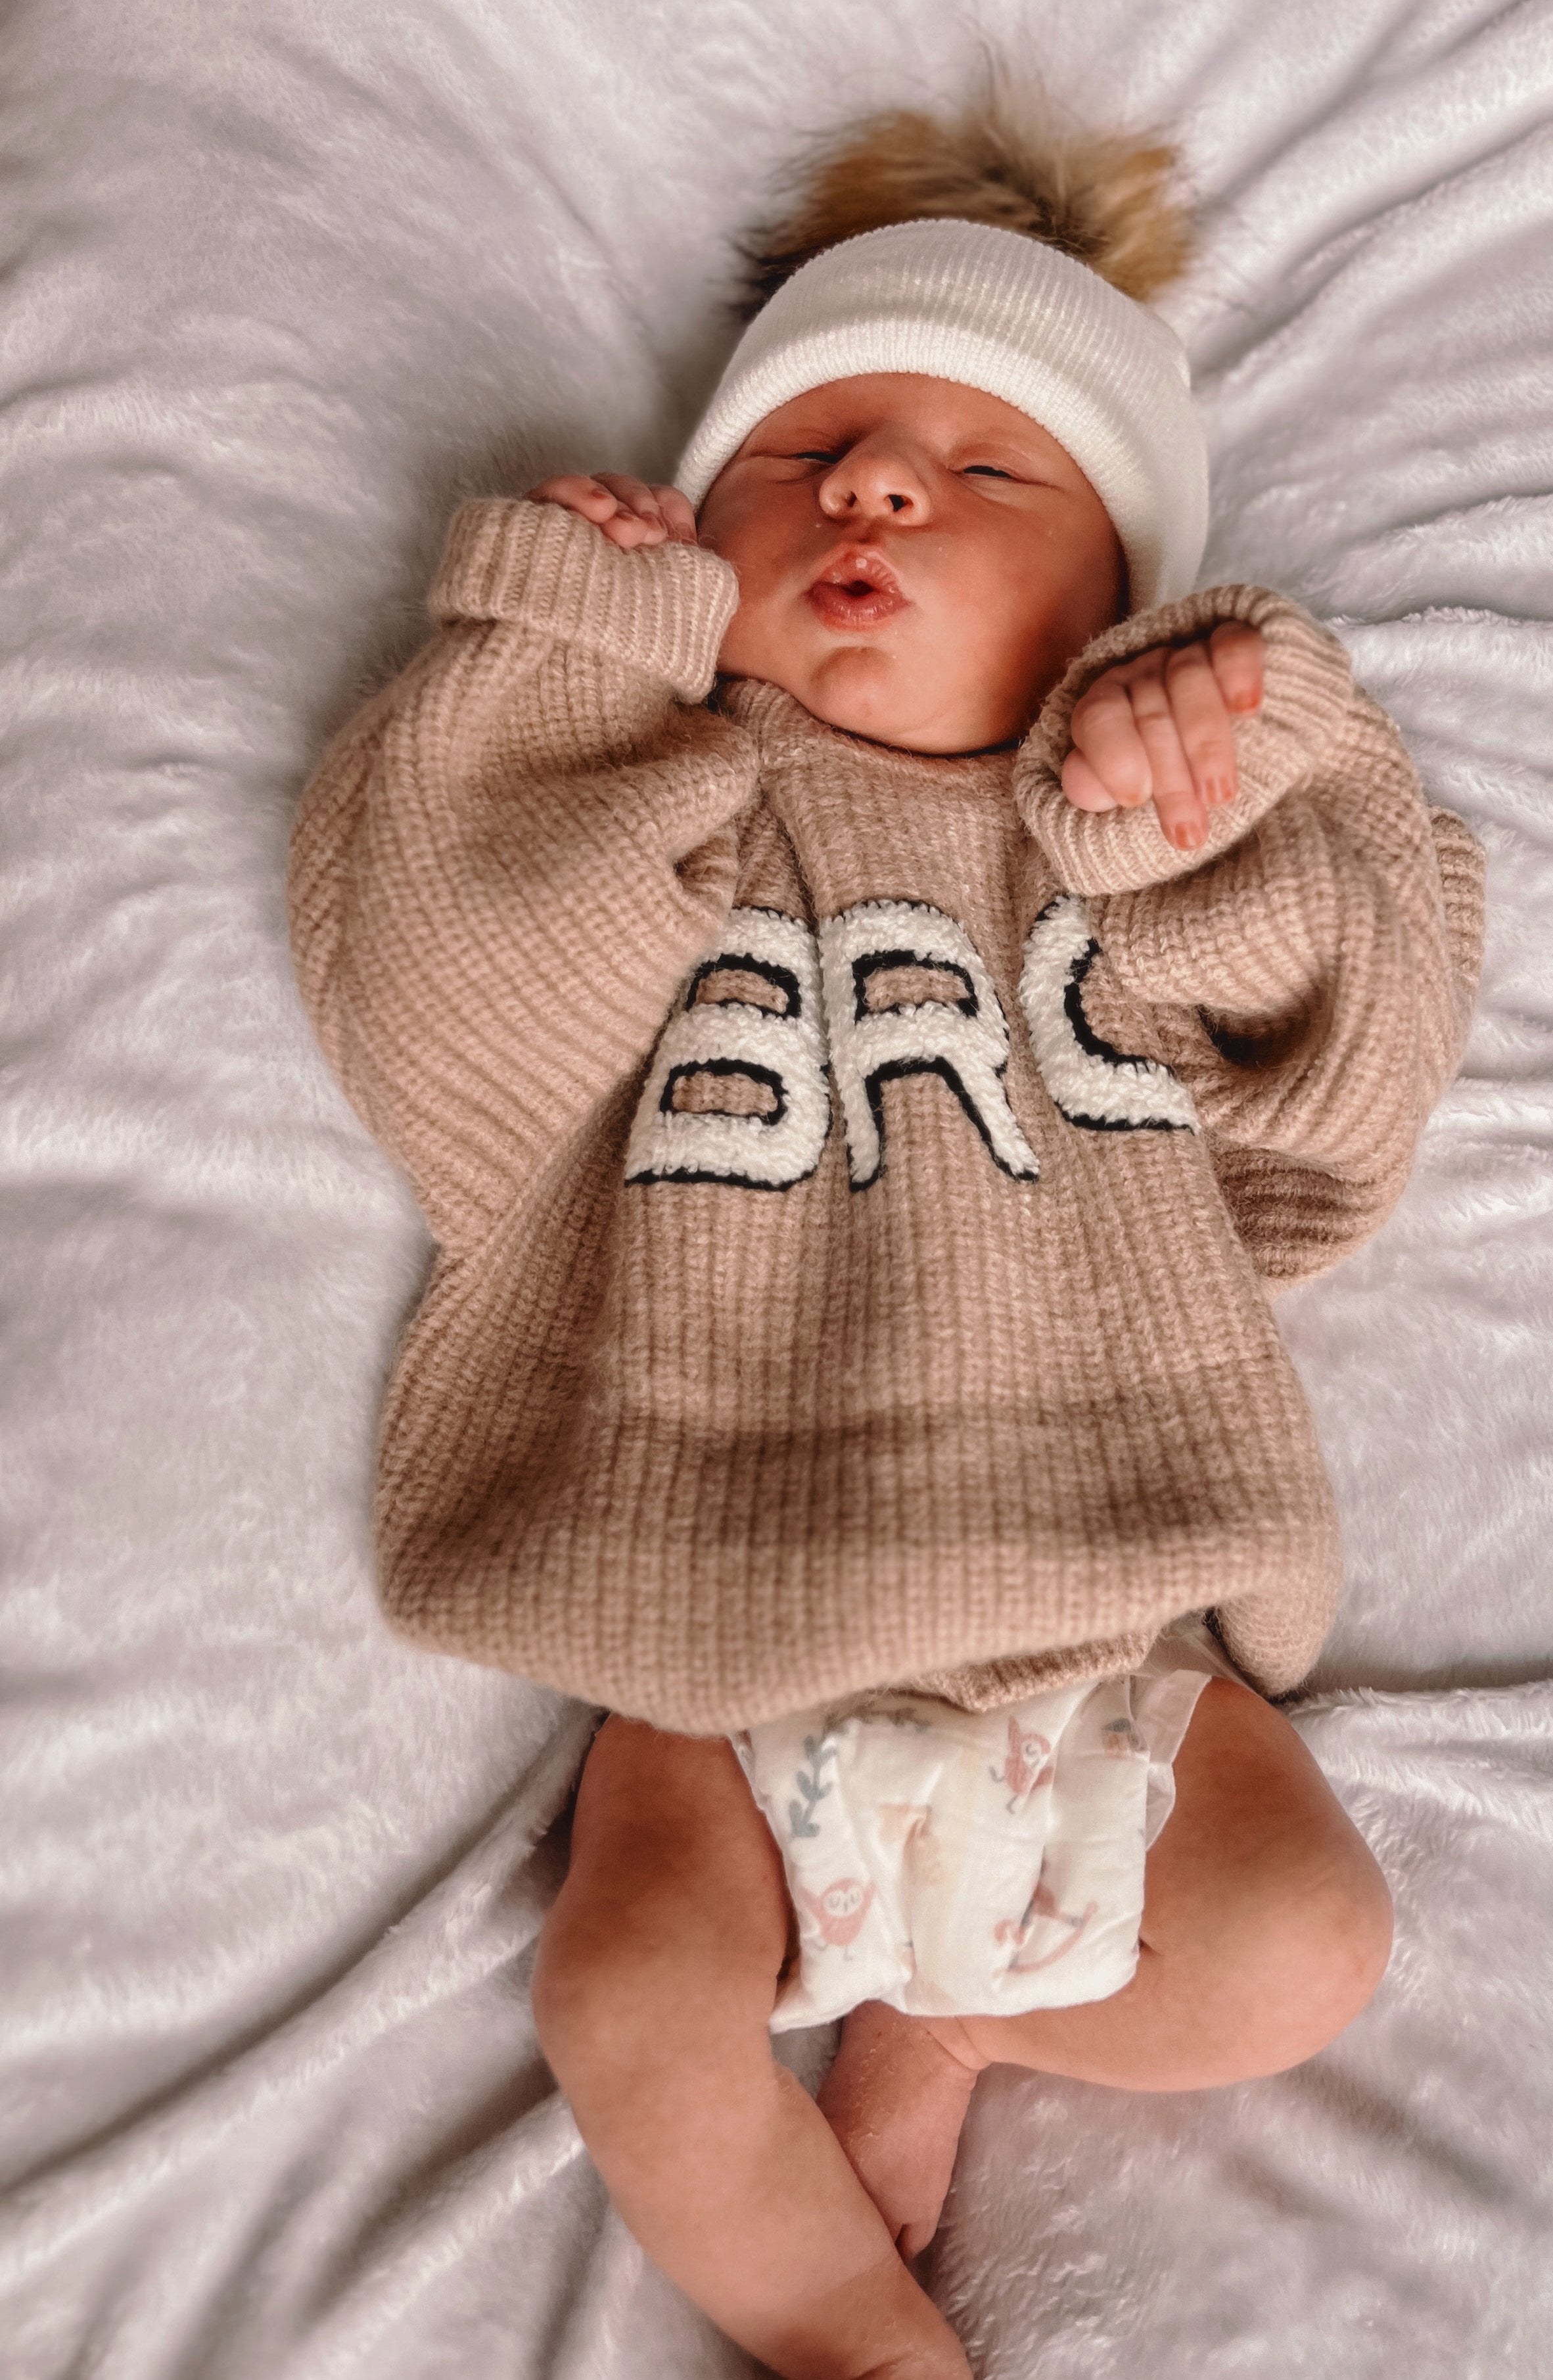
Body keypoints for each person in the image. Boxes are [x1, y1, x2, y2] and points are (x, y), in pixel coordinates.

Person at [289, 93, 1484, 2380]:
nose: (873, 487)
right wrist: (567, 657)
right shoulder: (665, 808)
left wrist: (1209, 792)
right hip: (712, 1615)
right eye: (804, 452)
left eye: (983, 470)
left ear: (1112, 613)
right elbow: (425, 985)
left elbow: (1350, 1077)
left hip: (1106, 1595)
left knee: (1300, 1944)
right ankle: (857, 2343)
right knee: (622, 2000)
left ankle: (953, 2032)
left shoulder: (1115, 848)